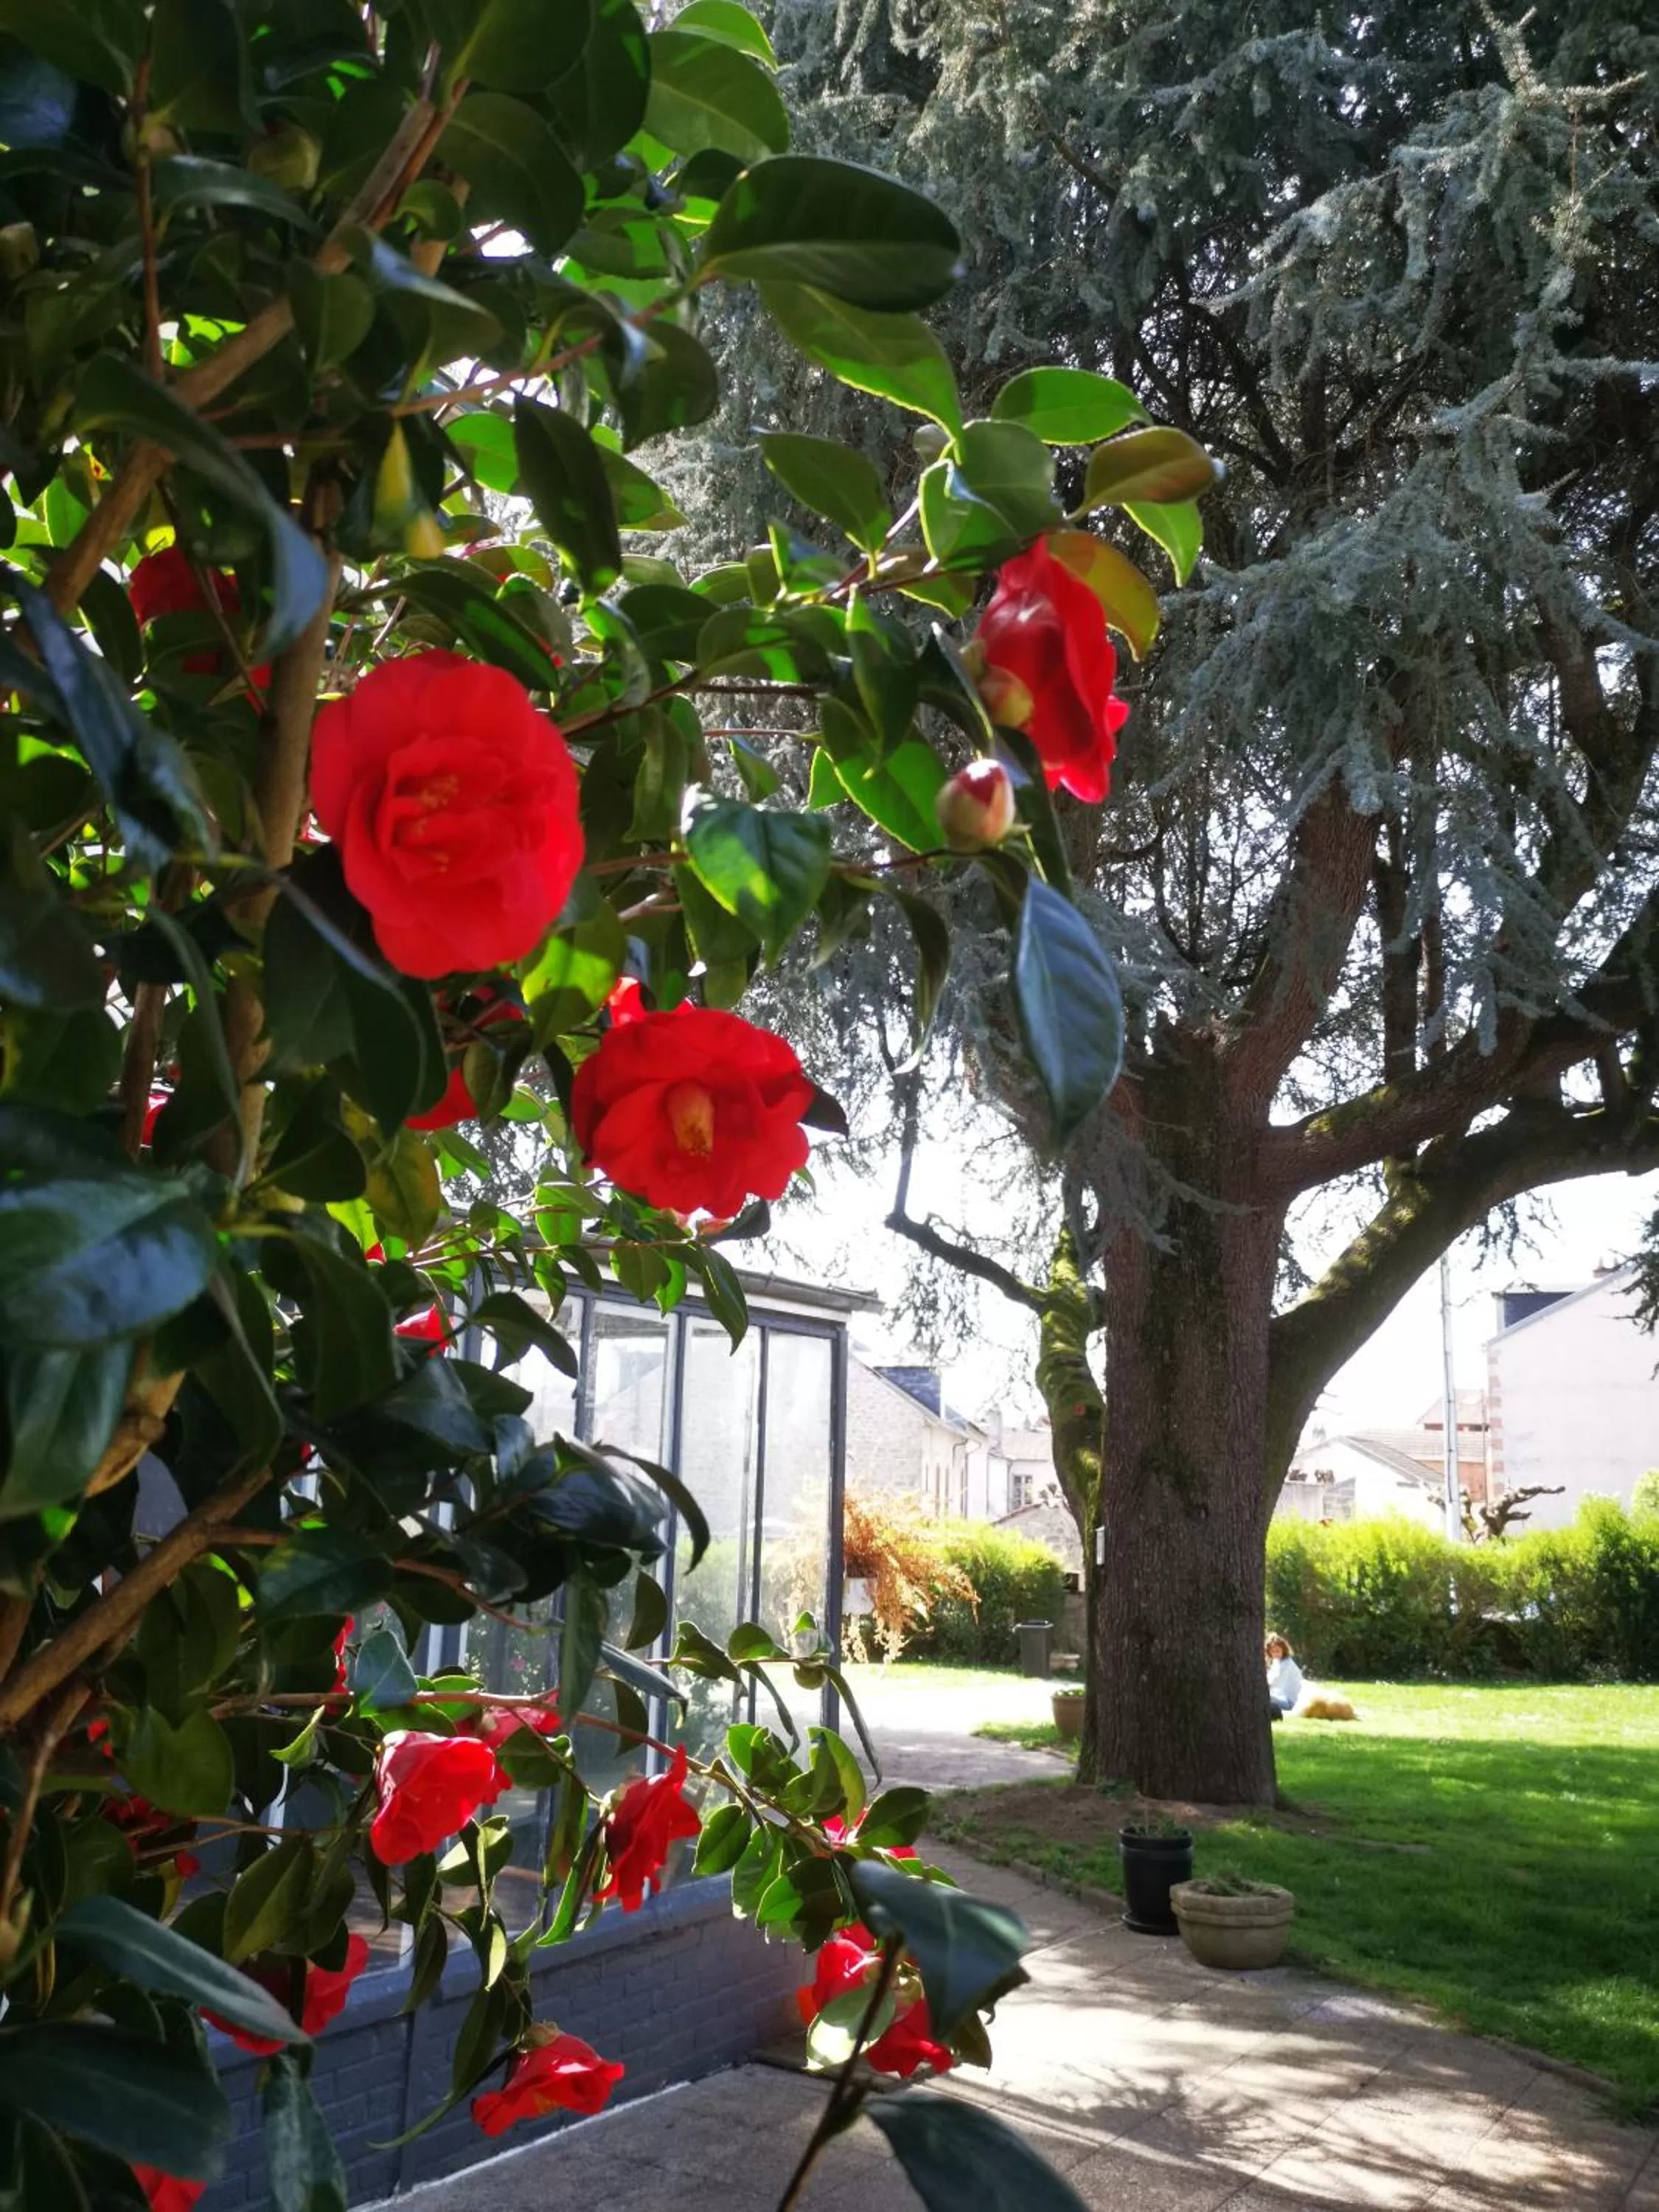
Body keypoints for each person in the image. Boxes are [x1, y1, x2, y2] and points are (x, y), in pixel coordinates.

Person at [1265, 1632, 1304, 1720]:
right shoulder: (1277, 1662)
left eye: (1278, 1651)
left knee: (1261, 1697)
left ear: (1283, 1650)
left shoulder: (1287, 1664)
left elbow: (1274, 1683)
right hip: (1281, 1697)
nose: (1275, 1654)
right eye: (1273, 1651)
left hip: (1290, 1702)